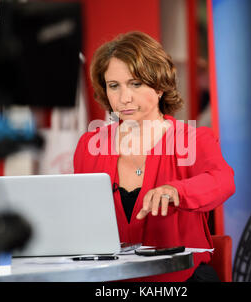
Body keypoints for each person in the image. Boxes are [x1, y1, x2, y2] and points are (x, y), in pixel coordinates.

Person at [73, 31, 235, 282]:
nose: (124, 97)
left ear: (159, 86)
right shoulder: (89, 145)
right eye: (114, 86)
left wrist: (175, 191)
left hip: (179, 279)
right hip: (110, 280)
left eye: (136, 84)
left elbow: (222, 180)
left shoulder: (192, 139)